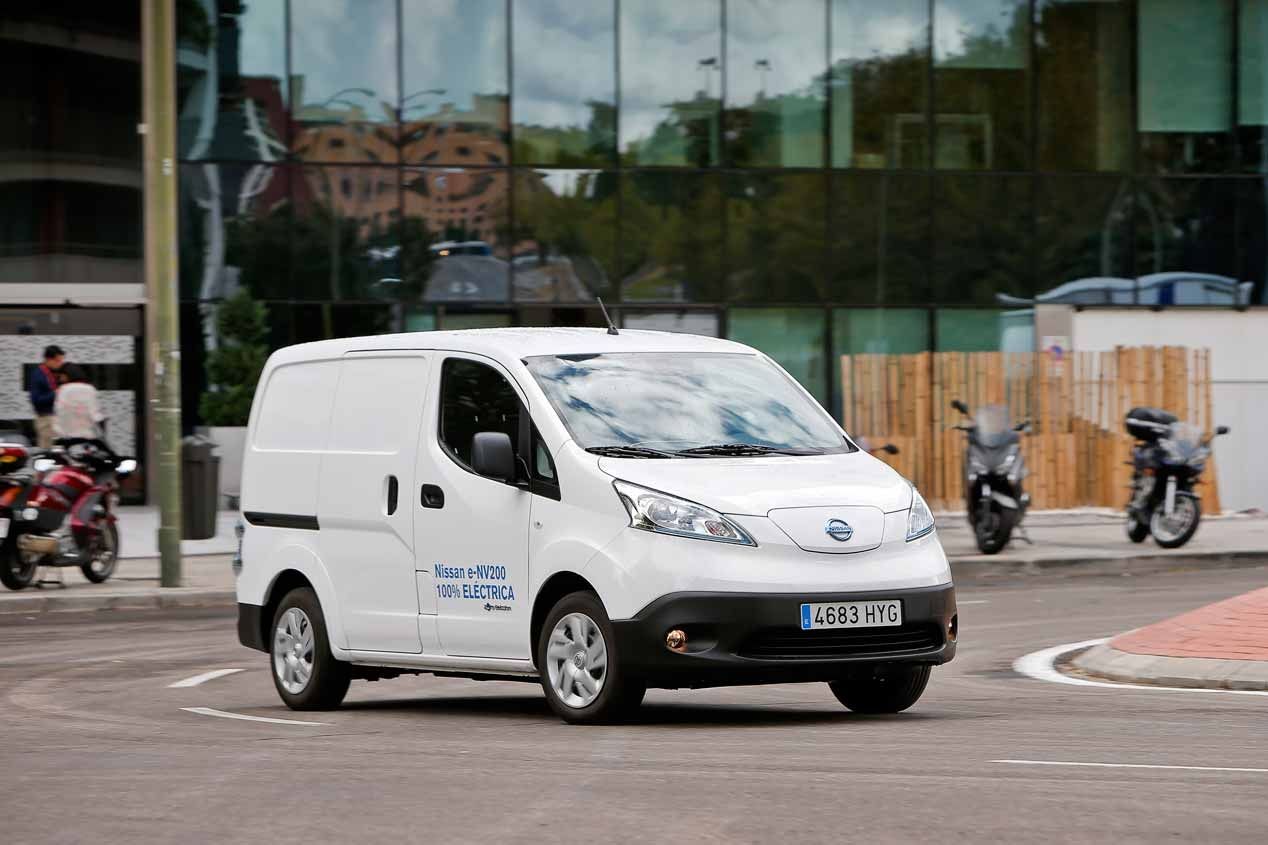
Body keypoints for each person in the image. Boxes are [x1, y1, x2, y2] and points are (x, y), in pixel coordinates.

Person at [54, 365, 107, 442]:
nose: (60, 379)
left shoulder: (63, 389)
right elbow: (97, 416)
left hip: (67, 437)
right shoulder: (90, 389)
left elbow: (57, 412)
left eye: (61, 376)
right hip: (88, 437)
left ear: (68, 375)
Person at [28, 345, 64, 448]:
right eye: (58, 361)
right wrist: (55, 393)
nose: (60, 364)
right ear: (48, 359)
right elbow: (35, 400)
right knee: (47, 454)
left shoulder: (51, 373)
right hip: (45, 418)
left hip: (53, 417)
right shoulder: (39, 374)